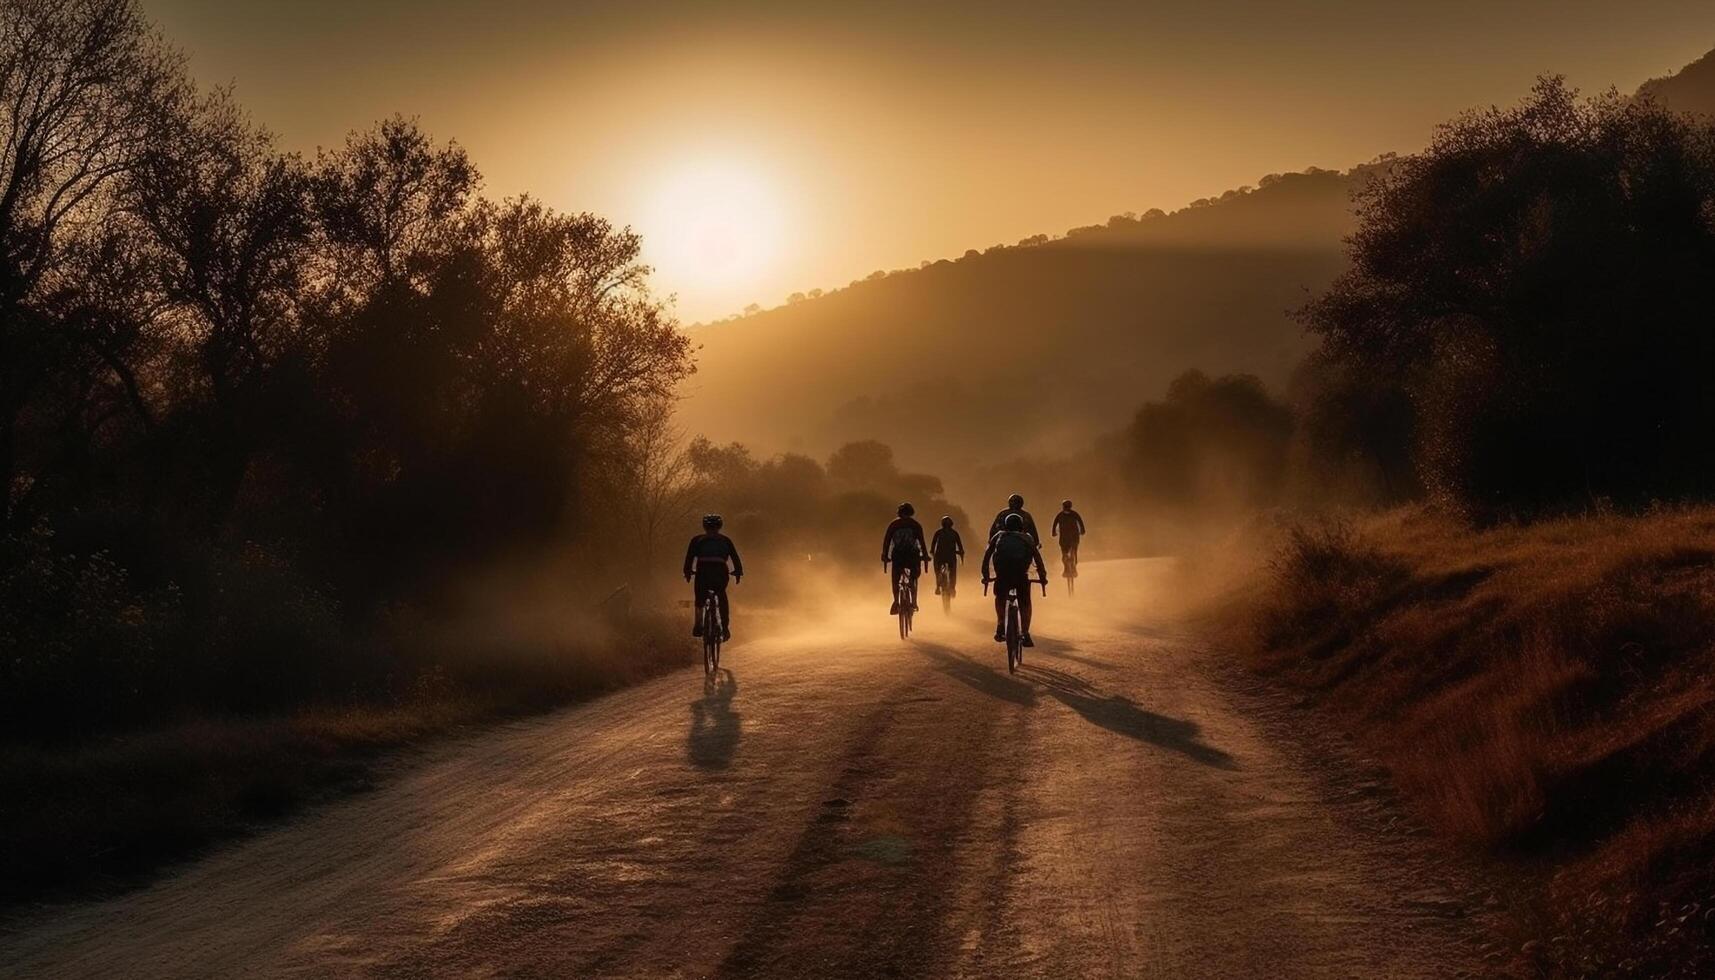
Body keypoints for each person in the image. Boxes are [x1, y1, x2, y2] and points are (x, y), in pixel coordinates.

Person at [982, 512, 1048, 646]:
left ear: (1006, 525)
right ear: (1021, 526)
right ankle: (1025, 633)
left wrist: (986, 576)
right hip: (1020, 575)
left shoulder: (998, 535)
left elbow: (987, 557)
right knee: (1025, 603)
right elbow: (1038, 559)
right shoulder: (1027, 538)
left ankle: (1000, 624)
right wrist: (1042, 577)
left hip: (1002, 575)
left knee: (1000, 597)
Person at [683, 514, 742, 639]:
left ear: (704, 526)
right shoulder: (726, 540)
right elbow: (735, 558)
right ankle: (725, 629)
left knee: (699, 598)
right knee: (721, 596)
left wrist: (688, 573)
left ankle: (698, 625)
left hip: (702, 571)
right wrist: (738, 572)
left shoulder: (697, 540)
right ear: (720, 526)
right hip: (720, 572)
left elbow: (689, 559)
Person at [881, 502, 929, 614]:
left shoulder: (893, 525)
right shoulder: (915, 525)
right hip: (912, 554)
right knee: (914, 577)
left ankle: (896, 601)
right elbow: (921, 542)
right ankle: (914, 601)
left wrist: (885, 555)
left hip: (897, 555)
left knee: (895, 579)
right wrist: (925, 555)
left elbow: (887, 541)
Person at [931, 515, 964, 596]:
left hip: (939, 556)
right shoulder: (954, 533)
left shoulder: (938, 532)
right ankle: (952, 587)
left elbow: (933, 544)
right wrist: (961, 553)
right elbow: (960, 546)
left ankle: (938, 587)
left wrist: (932, 552)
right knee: (953, 572)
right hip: (950, 556)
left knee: (937, 571)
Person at [1051, 499, 1086, 575]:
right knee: (1072, 552)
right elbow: (1080, 522)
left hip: (1066, 538)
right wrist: (1082, 530)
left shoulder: (1060, 515)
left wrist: (1053, 532)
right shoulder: (1074, 514)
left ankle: (1067, 568)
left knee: (1065, 553)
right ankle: (1071, 567)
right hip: (1072, 538)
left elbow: (1054, 524)